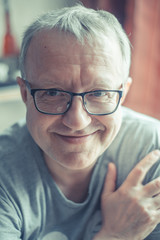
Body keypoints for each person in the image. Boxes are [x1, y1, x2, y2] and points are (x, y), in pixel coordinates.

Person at [0, 4, 160, 240]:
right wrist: (115, 236)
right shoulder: (4, 170)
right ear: (25, 94)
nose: (76, 121)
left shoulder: (152, 148)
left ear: (123, 93)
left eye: (98, 93)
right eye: (53, 93)